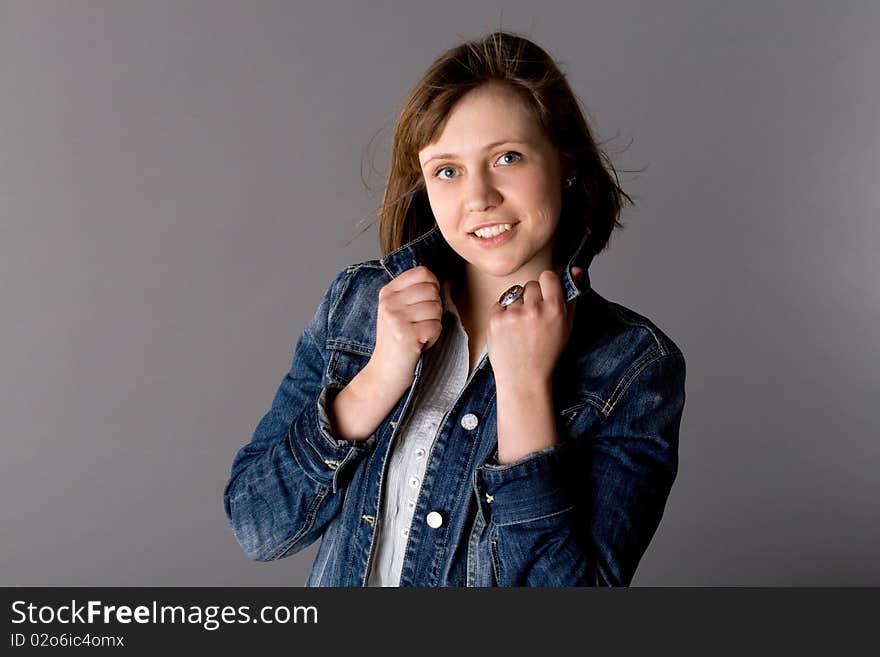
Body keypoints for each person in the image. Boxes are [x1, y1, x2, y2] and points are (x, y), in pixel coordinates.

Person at [223, 30, 686, 586]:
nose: (478, 197)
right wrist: (379, 376)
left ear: (565, 161)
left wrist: (525, 390)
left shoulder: (633, 365)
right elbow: (256, 527)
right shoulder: (357, 305)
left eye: (508, 157)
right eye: (447, 170)